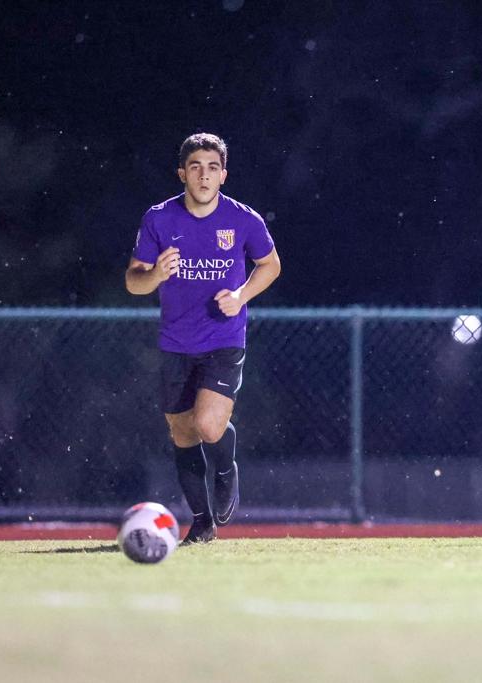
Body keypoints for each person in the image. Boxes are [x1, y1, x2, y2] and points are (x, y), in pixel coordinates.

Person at [125, 132, 281, 544]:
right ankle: (202, 522)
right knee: (182, 432)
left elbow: (270, 265)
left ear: (223, 175)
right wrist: (155, 275)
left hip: (224, 339)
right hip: (175, 343)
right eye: (195, 167)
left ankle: (226, 471)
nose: (204, 175)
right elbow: (133, 281)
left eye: (212, 167)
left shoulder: (243, 219)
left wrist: (241, 295)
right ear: (182, 173)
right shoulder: (159, 218)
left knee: (209, 426)